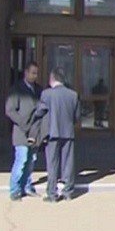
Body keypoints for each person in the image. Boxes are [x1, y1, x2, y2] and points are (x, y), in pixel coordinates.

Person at [31, 68, 80, 202]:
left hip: (52, 133)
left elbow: (40, 111)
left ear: (51, 79)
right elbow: (77, 116)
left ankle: (52, 193)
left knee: (52, 163)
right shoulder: (73, 95)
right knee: (68, 163)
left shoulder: (46, 94)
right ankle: (68, 192)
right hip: (68, 133)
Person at [5, 61, 43, 201]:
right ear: (26, 72)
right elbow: (10, 110)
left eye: (36, 73)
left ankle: (27, 186)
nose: (35, 76)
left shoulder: (39, 89)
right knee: (21, 160)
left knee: (31, 160)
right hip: (21, 131)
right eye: (32, 73)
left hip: (35, 131)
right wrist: (23, 123)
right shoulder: (17, 89)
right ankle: (15, 189)